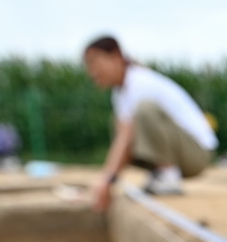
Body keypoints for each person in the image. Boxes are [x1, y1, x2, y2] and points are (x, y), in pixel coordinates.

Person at [84, 35, 219, 211]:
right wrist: (107, 180)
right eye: (88, 65)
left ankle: (167, 176)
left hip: (197, 153)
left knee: (145, 110)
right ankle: (161, 174)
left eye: (95, 62)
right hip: (181, 152)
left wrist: (107, 180)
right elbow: (122, 137)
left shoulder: (139, 82)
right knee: (119, 123)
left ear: (115, 57)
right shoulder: (120, 93)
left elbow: (126, 138)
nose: (92, 70)